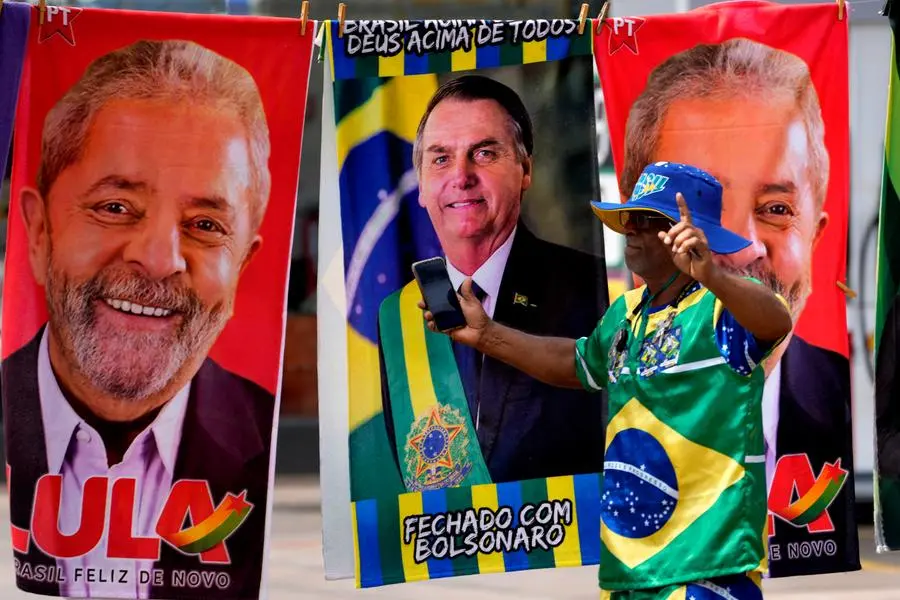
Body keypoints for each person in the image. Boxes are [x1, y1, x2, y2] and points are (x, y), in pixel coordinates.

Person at [422, 161, 792, 598]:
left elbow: (775, 321)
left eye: (647, 221)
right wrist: (486, 334)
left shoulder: (719, 312)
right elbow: (576, 363)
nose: (630, 230)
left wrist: (712, 274)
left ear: (688, 235)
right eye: (628, 218)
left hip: (706, 567)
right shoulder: (626, 313)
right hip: (629, 572)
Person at [3, 39, 275, 600]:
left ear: (243, 263)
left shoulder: (267, 440)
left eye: (205, 224)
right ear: (37, 231)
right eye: (115, 208)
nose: (157, 260)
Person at [617, 37, 857, 574]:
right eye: (702, 212)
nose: (744, 245)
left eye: (776, 208)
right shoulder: (601, 381)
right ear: (638, 225)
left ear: (816, 236)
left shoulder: (840, 402)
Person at [375, 74, 608, 491]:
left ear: (525, 170)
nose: (461, 176)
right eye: (441, 158)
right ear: (423, 188)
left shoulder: (591, 287)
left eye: (483, 153)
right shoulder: (396, 316)